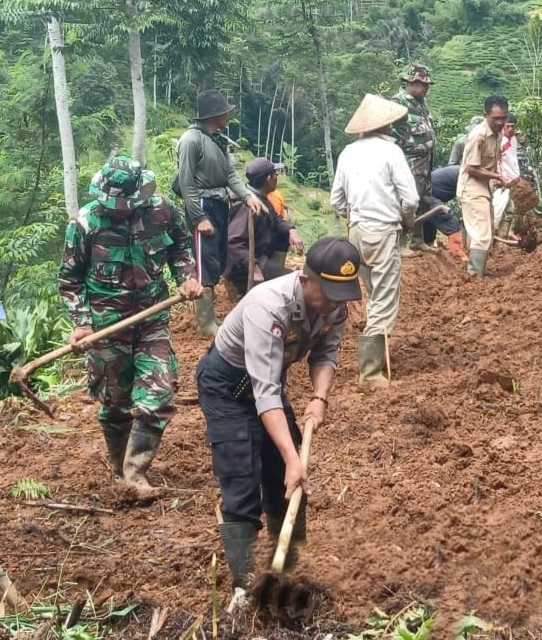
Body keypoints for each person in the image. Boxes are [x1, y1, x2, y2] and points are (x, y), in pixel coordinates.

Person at [195, 236, 361, 611]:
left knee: (283, 478)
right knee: (241, 474)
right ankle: (247, 587)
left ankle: (286, 567)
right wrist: (292, 458)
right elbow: (265, 391)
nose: (336, 303)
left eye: (344, 293)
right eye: (329, 292)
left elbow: (326, 352)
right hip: (226, 386)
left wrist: (319, 398)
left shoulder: (336, 307)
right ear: (305, 279)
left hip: (265, 384)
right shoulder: (268, 307)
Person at [58, 156, 203, 494]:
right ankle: (120, 472)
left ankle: (136, 473)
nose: (119, 210)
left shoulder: (163, 212)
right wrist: (81, 324)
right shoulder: (84, 225)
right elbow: (69, 281)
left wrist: (186, 277)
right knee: (115, 405)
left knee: (159, 395)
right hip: (106, 329)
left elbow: (181, 247)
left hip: (152, 321)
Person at [331, 94, 419, 386]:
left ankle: (373, 359)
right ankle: (370, 372)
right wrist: (407, 223)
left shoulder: (347, 153)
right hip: (383, 231)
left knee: (372, 293)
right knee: (383, 297)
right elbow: (411, 199)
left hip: (356, 231)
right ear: (388, 126)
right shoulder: (391, 153)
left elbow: (337, 201)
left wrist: (354, 217)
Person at [176, 90, 261, 337]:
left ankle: (211, 317)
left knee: (218, 258)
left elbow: (230, 175)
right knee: (205, 263)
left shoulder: (217, 139)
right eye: (225, 111)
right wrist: (198, 218)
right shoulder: (191, 140)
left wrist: (247, 195)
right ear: (214, 115)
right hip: (203, 203)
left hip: (219, 202)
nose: (228, 115)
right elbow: (186, 182)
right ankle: (206, 324)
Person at [223, 158, 304, 298]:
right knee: (294, 282)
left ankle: (274, 270)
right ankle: (248, 286)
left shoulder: (261, 197)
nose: (276, 178)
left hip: (261, 255)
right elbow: (233, 242)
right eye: (275, 174)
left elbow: (276, 220)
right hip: (245, 265)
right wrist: (253, 267)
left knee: (283, 233)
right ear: (268, 178)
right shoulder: (247, 206)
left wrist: (291, 229)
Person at [389, 63, 442, 254]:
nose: (426, 88)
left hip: (425, 161)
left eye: (427, 84)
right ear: (411, 82)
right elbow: (393, 134)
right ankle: (400, 242)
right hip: (408, 160)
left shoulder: (421, 103)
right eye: (422, 84)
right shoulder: (397, 103)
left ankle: (417, 240)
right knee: (407, 200)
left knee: (424, 200)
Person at [458, 94, 510, 278]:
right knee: (482, 235)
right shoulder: (477, 136)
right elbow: (471, 168)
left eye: (504, 118)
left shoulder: (499, 132)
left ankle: (478, 273)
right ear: (485, 115)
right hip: (472, 188)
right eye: (496, 118)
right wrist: (497, 176)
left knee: (483, 232)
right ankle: (474, 277)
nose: (500, 122)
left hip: (485, 187)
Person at [420, 164, 468, 262]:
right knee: (449, 221)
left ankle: (428, 252)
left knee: (429, 222)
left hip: (424, 191)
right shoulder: (468, 175)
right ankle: (459, 256)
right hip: (426, 193)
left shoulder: (462, 170)